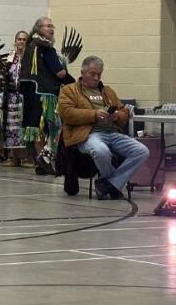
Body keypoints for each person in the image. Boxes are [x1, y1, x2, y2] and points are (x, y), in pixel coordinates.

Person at [58, 56, 149, 199]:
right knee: (101, 151)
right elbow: (67, 113)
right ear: (83, 72)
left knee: (142, 151)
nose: (96, 78)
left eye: (99, 74)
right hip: (87, 134)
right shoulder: (69, 90)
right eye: (92, 74)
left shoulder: (108, 91)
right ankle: (113, 184)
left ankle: (108, 184)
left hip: (112, 133)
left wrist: (117, 116)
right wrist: (93, 114)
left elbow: (124, 112)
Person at [22, 17, 73, 175]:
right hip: (44, 93)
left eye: (52, 26)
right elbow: (59, 72)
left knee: (38, 129)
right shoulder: (45, 47)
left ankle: (41, 161)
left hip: (31, 92)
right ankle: (45, 159)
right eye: (48, 26)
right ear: (38, 28)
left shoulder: (31, 45)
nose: (51, 29)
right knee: (53, 127)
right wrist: (75, 83)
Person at [1, 30, 31, 167]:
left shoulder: (31, 58)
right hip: (12, 96)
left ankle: (27, 158)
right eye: (19, 39)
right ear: (15, 41)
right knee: (12, 127)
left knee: (25, 126)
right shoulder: (9, 58)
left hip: (26, 96)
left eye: (24, 39)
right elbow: (4, 78)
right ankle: (14, 158)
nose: (21, 42)